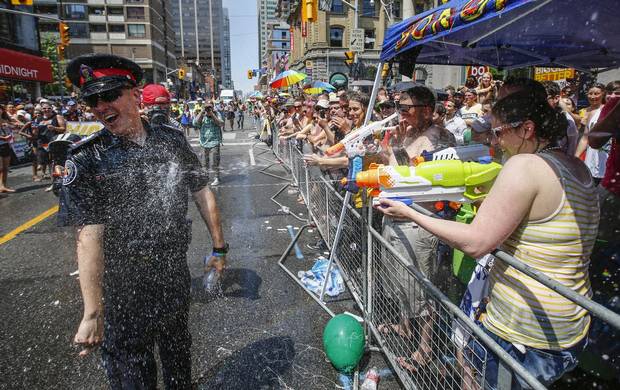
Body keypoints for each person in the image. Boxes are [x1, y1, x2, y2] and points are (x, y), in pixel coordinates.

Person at [376, 88, 599, 388]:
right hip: (568, 324)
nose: (495, 141)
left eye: (498, 132)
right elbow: (538, 231)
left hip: (524, 329)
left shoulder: (525, 166)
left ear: (527, 129)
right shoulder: (575, 165)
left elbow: (476, 242)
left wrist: (411, 212)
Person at [60, 53, 228, 389]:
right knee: (133, 372)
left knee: (179, 352)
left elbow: (201, 191)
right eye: (93, 100)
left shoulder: (171, 140)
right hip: (124, 291)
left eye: (110, 96)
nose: (102, 106)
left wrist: (219, 248)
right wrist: (93, 312)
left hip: (172, 276)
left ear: (134, 95)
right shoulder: (87, 159)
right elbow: (88, 236)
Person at [575, 83, 608, 184]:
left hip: (606, 161)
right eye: (590, 93)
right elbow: (585, 138)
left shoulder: (609, 112)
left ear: (603, 94)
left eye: (596, 93)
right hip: (590, 159)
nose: (593, 96)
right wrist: (576, 157)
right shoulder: (585, 111)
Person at [194, 100, 225, 186]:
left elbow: (221, 123)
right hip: (203, 142)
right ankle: (206, 177)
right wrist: (201, 112)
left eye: (210, 107)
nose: (208, 108)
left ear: (213, 106)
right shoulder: (201, 114)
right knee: (204, 163)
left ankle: (217, 177)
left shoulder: (216, 113)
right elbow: (195, 123)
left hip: (214, 141)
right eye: (206, 107)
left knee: (214, 161)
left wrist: (212, 115)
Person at [0, 105, 16, 193]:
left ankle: (3, 186)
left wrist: (9, 125)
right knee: (0, 168)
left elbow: (15, 127)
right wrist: (3, 138)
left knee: (5, 168)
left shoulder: (5, 120)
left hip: (6, 145)